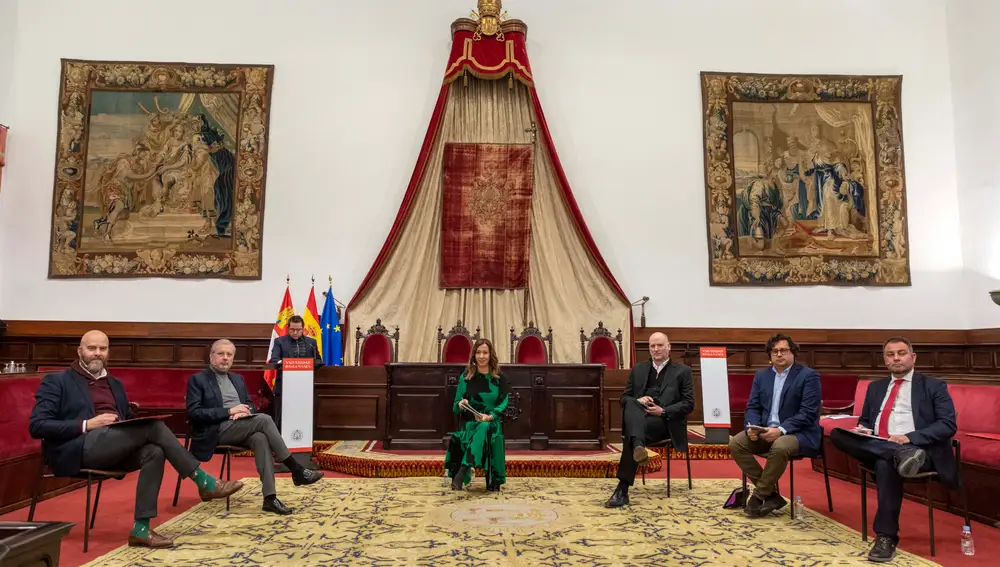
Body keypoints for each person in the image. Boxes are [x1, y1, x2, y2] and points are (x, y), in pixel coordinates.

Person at [29, 330, 244, 548]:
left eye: (102, 349)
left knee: (155, 451)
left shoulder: (114, 383)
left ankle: (141, 529)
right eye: (91, 348)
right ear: (80, 350)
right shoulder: (57, 380)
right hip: (79, 448)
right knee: (154, 427)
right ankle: (203, 481)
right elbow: (37, 425)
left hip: (113, 446)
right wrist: (88, 424)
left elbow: (127, 419)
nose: (97, 353)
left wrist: (132, 421)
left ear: (108, 352)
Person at [830, 337, 958, 563]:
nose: (896, 358)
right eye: (890, 354)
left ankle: (885, 537)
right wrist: (864, 429)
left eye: (901, 353)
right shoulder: (876, 387)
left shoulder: (933, 386)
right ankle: (894, 452)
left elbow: (947, 425)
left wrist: (908, 438)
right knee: (838, 434)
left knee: (885, 464)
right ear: (884, 359)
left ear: (913, 357)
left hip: (920, 452)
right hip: (882, 445)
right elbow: (867, 420)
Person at [186, 339, 325, 515]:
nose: (225, 358)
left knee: (260, 438)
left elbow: (250, 405)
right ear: (211, 356)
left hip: (239, 426)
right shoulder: (198, 380)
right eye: (221, 354)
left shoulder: (237, 379)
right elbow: (194, 413)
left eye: (229, 355)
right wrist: (228, 411)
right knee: (265, 420)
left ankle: (270, 498)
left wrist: (244, 412)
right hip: (215, 430)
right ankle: (296, 470)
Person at [729, 334, 822, 517]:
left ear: (793, 352)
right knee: (736, 443)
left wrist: (781, 430)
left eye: (784, 350)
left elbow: (808, 413)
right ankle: (772, 496)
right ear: (770, 355)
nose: (779, 355)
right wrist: (752, 427)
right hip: (765, 430)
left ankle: (759, 496)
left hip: (798, 433)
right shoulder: (762, 375)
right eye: (775, 351)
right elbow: (753, 406)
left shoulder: (808, 376)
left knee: (780, 446)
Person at [605, 332, 694, 508]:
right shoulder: (638, 369)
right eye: (652, 346)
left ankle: (622, 490)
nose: (656, 349)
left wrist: (663, 411)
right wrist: (639, 401)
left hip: (664, 423)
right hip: (640, 419)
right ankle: (637, 447)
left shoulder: (683, 371)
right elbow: (624, 398)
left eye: (660, 345)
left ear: (669, 347)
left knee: (632, 433)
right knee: (632, 403)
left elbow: (689, 403)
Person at [445, 338, 509, 492]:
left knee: (485, 425)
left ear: (490, 355)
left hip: (492, 423)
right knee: (481, 426)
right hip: (471, 424)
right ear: (473, 355)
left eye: (485, 352)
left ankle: (464, 468)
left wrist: (491, 416)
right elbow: (455, 405)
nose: (481, 356)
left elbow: (504, 402)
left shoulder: (499, 377)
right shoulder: (466, 377)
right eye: (478, 353)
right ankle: (465, 468)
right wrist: (461, 404)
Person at [267, 315, 324, 429]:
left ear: (303, 329)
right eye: (292, 329)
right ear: (288, 328)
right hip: (284, 385)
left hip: (305, 386)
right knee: (283, 417)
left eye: (298, 330)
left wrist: (311, 364)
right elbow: (274, 360)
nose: (295, 332)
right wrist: (288, 364)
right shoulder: (280, 341)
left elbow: (318, 360)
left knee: (304, 415)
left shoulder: (311, 342)